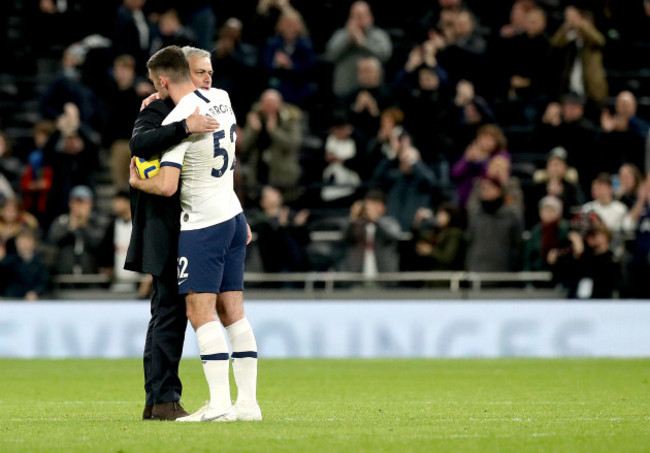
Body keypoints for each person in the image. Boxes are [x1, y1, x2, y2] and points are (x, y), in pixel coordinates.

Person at [129, 45, 261, 422]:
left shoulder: (180, 115)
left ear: (164, 80)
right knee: (233, 312)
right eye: (201, 71)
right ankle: (248, 405)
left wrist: (137, 182)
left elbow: (168, 185)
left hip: (202, 224)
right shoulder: (222, 98)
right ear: (192, 72)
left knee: (198, 312)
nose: (207, 77)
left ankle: (219, 405)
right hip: (233, 216)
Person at [126, 45, 221, 421]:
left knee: (169, 311)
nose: (206, 80)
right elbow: (139, 143)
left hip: (186, 224)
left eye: (209, 73)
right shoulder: (157, 109)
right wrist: (183, 127)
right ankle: (162, 399)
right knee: (168, 311)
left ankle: (159, 399)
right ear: (177, 78)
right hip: (164, 227)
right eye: (200, 73)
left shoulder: (203, 107)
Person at [324, 1, 392, 98]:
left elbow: (385, 55)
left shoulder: (379, 35)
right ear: (350, 18)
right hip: (344, 92)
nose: (360, 19)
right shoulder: (340, 35)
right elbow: (329, 56)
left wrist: (363, 43)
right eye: (356, 16)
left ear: (370, 17)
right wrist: (348, 40)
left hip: (374, 93)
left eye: (363, 15)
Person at [0, 228, 49, 300]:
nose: (23, 245)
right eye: (20, 242)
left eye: (26, 242)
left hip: (34, 301)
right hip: (10, 300)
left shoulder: (41, 262)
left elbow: (44, 283)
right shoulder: (8, 261)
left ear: (34, 243)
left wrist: (35, 292)